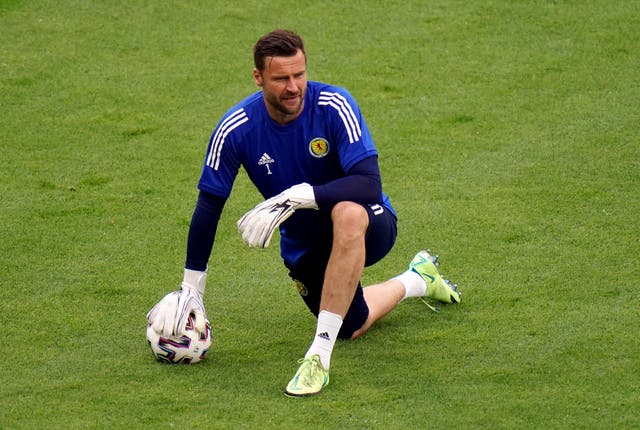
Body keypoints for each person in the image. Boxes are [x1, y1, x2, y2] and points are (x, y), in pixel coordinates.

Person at [146, 29, 460, 397]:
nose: (293, 87)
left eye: (299, 75)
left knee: (346, 214)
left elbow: (368, 183)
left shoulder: (334, 104)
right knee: (350, 325)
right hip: (305, 247)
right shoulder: (236, 129)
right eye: (281, 78)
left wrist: (303, 195)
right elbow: (209, 205)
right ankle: (418, 278)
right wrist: (191, 287)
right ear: (258, 77)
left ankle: (318, 360)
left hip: (368, 223)